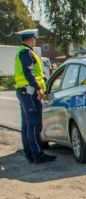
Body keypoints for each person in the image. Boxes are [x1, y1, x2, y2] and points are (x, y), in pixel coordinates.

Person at [13, 29, 56, 164]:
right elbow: (29, 72)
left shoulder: (21, 51)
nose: (35, 40)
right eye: (35, 38)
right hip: (30, 92)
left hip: (24, 91)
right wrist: (38, 89)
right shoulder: (26, 52)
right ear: (31, 39)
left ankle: (30, 154)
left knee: (27, 124)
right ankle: (37, 155)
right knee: (33, 124)